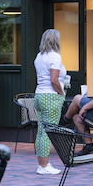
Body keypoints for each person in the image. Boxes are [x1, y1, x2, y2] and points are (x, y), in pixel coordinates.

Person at [33, 29, 66, 175]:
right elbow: (54, 80)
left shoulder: (39, 56)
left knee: (41, 131)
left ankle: (42, 164)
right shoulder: (55, 56)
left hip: (39, 95)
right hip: (51, 97)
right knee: (48, 132)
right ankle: (44, 166)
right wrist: (61, 93)